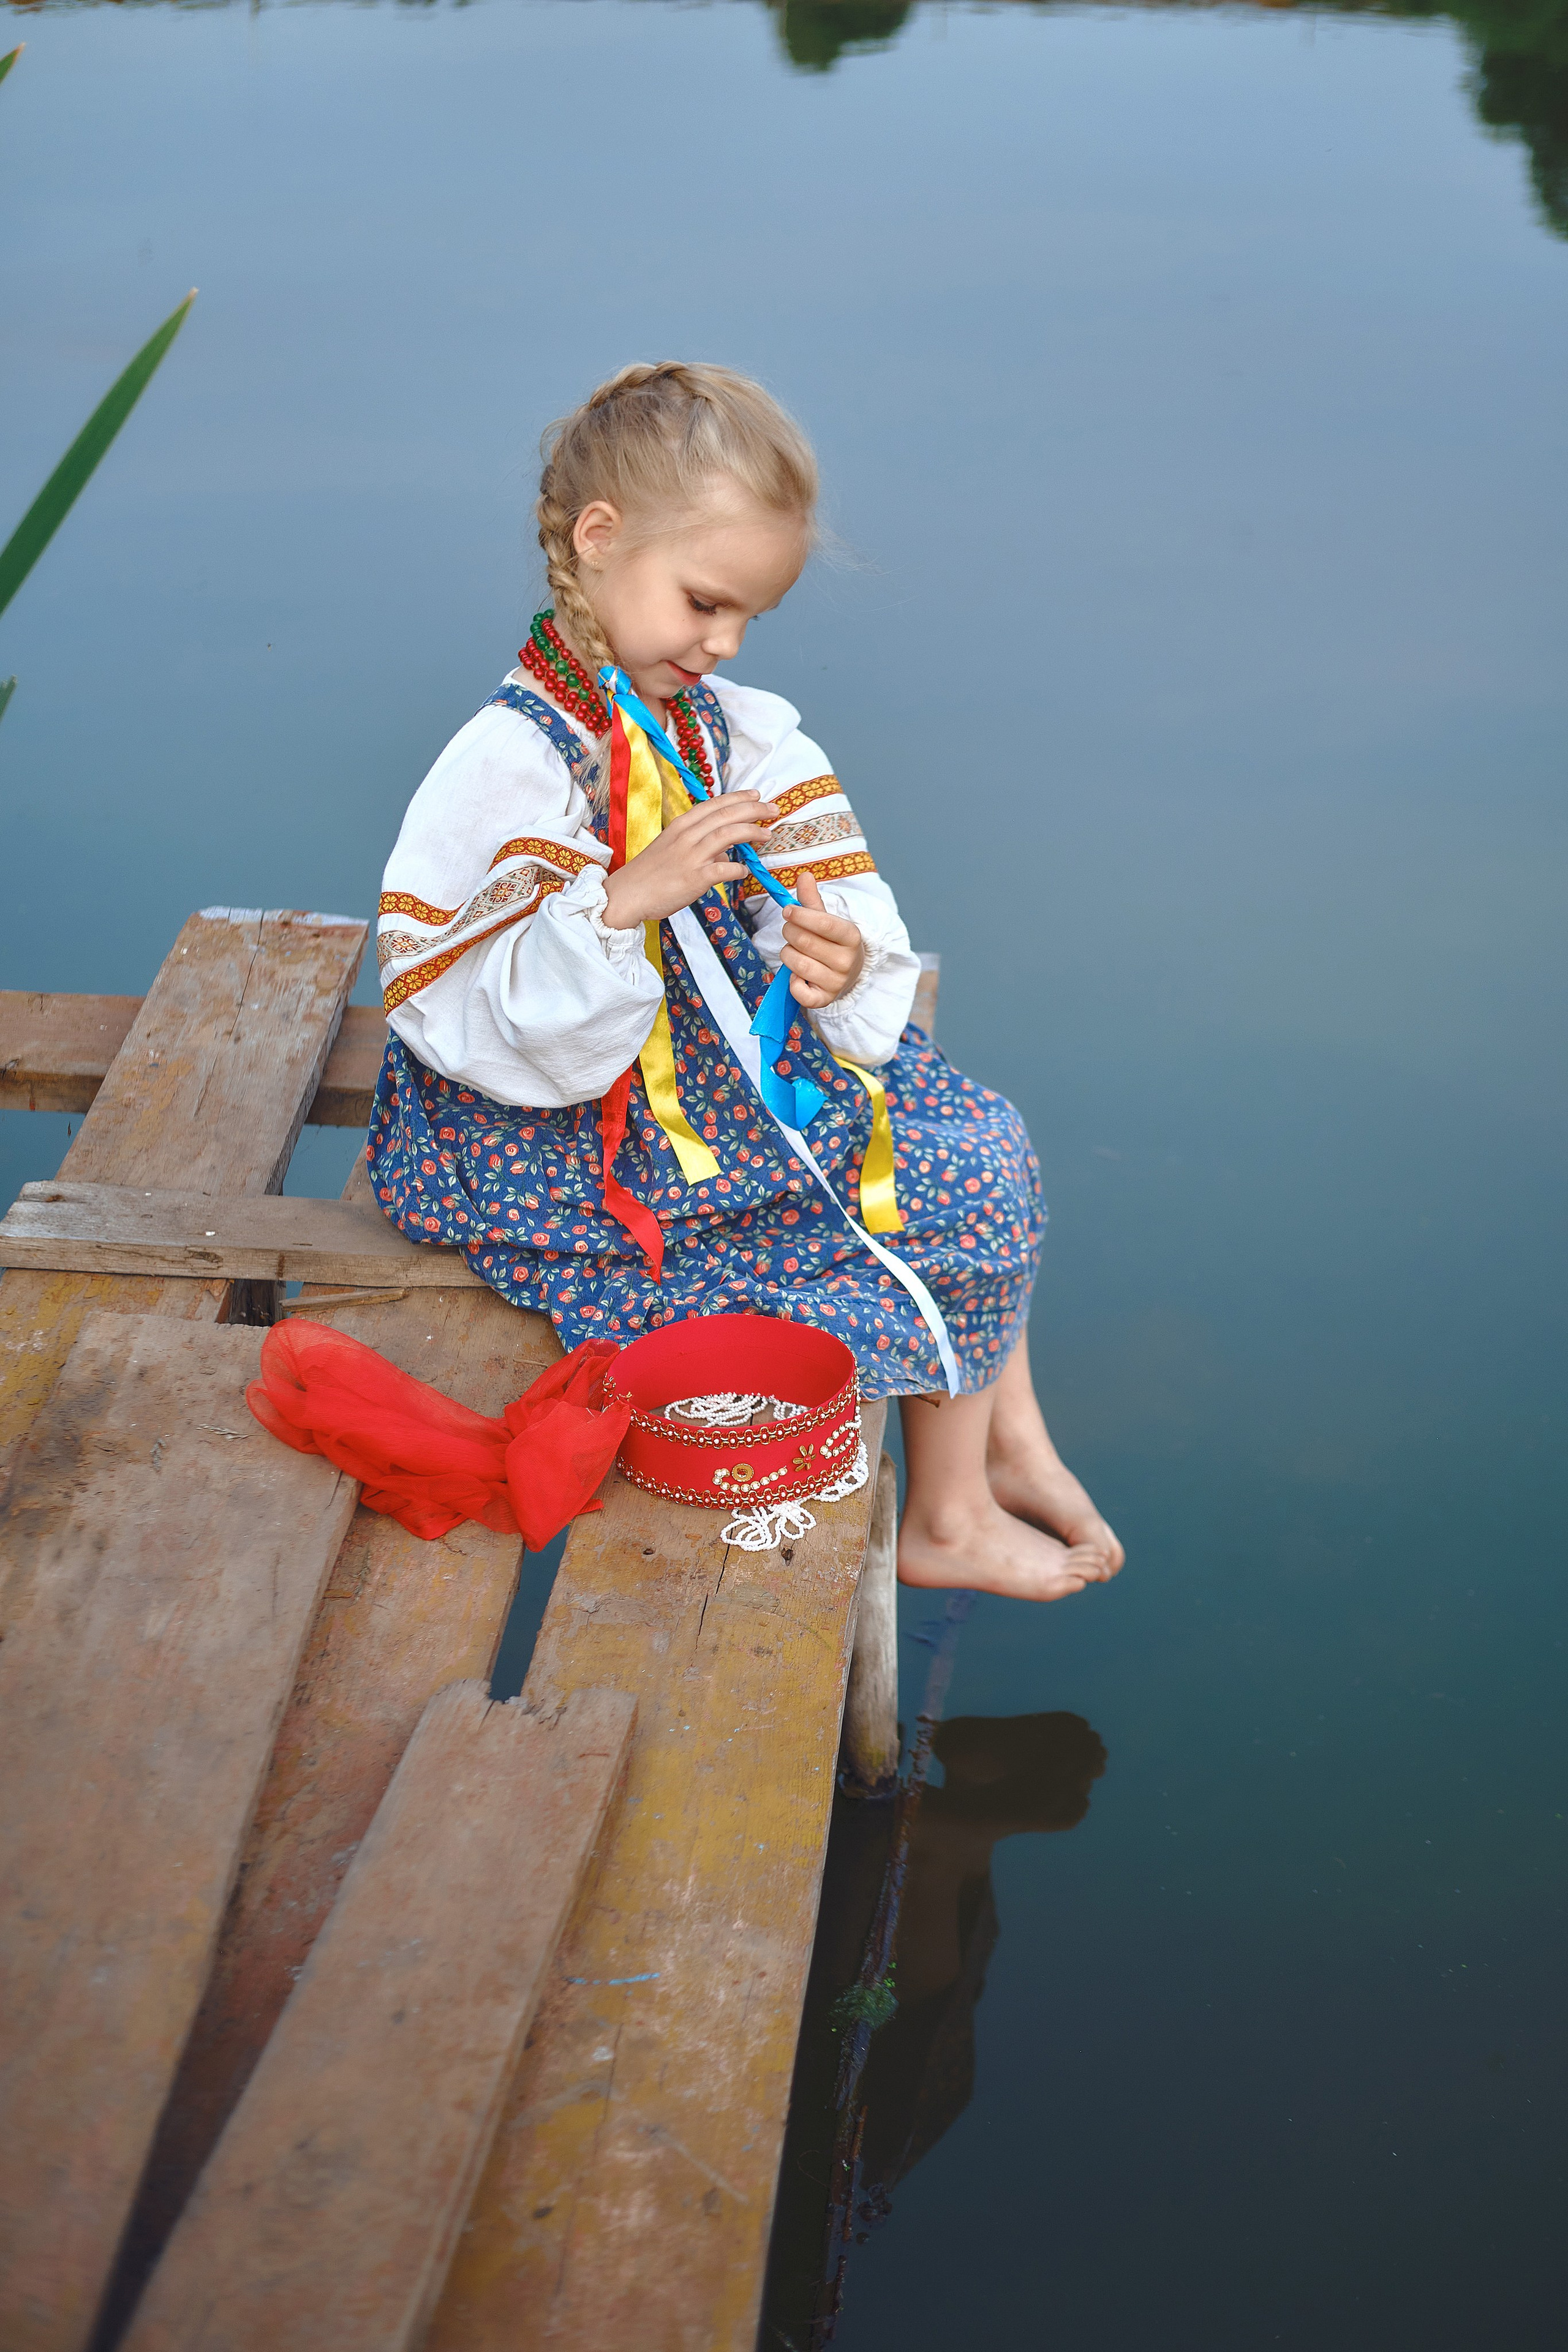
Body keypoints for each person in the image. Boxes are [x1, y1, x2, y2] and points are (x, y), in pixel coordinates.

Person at [368, 361, 1124, 1601]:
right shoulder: (509, 760)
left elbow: (827, 895)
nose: (719, 644)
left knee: (970, 1131)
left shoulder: (733, 726)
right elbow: (451, 998)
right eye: (704, 603)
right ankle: (946, 1512)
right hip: (562, 1127)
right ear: (598, 539)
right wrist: (622, 903)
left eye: (746, 620)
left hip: (713, 1058)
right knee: (962, 1181)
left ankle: (996, 1447)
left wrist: (831, 957)